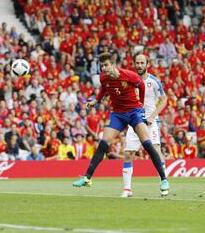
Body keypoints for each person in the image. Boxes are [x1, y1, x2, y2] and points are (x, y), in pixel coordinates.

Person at [72, 52, 169, 196]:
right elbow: (104, 89)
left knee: (147, 144)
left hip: (134, 113)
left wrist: (141, 105)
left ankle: (163, 179)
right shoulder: (103, 78)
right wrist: (95, 101)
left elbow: (141, 86)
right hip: (117, 114)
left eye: (106, 65)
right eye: (102, 66)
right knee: (104, 143)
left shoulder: (129, 76)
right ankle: (87, 178)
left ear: (113, 64)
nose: (103, 68)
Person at [121, 54, 168, 197]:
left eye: (142, 62)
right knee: (129, 153)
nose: (140, 65)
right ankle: (127, 189)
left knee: (156, 152)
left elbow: (164, 100)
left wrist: (152, 116)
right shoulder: (129, 80)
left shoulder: (154, 81)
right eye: (137, 62)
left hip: (150, 122)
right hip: (134, 121)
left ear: (147, 64)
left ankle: (163, 182)